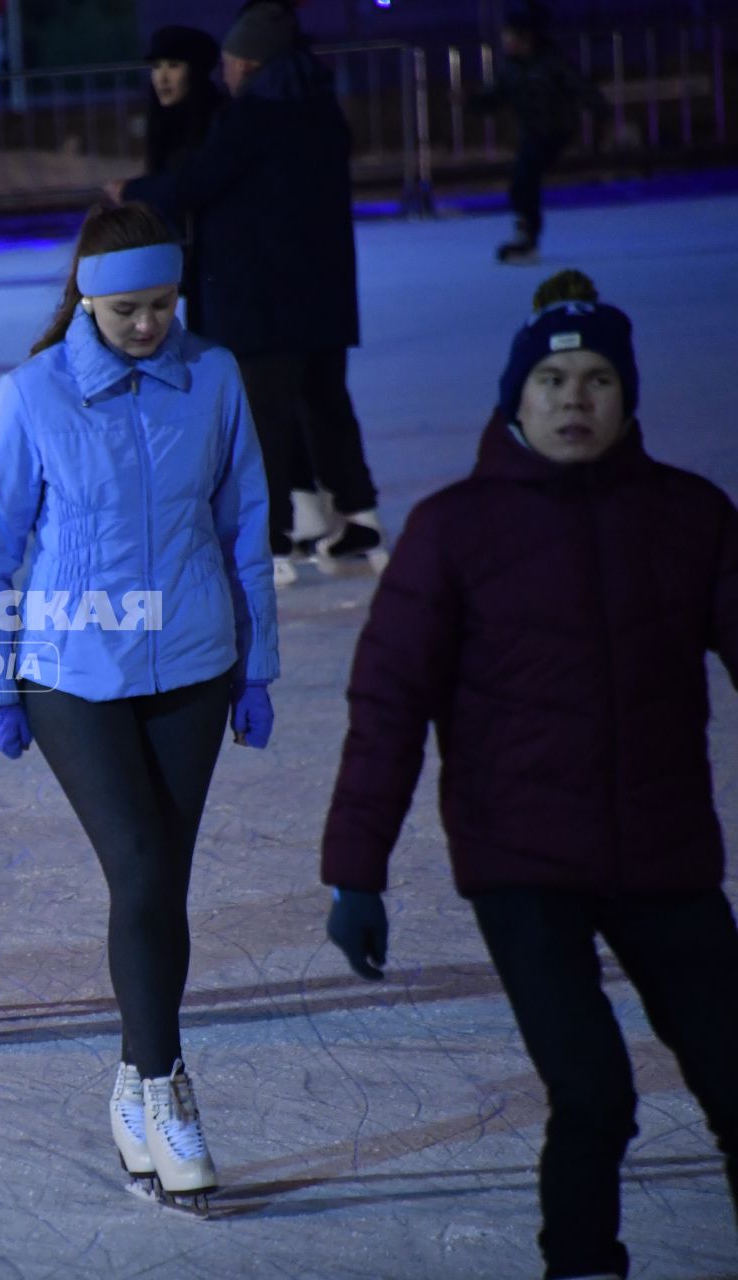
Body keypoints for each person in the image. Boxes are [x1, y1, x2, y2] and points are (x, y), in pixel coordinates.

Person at [322, 269, 738, 1280]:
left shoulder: (689, 516)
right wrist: (356, 870)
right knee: (595, 1091)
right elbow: (389, 706)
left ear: (628, 396)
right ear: (515, 399)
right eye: (554, 382)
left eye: (598, 378)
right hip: (525, 865)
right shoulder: (455, 529)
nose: (575, 398)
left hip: (666, 851)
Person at [0, 203, 277, 1212]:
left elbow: (246, 520)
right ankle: (166, 1082)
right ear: (87, 300)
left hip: (190, 658)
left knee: (160, 885)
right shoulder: (32, 394)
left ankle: (137, 1077)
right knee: (138, 860)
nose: (149, 325)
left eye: (163, 304)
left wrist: (256, 662)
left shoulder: (213, 378)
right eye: (128, 308)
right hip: (70, 668)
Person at [119, 1, 385, 588]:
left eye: (237, 60)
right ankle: (360, 518)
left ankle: (272, 543)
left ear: (258, 63)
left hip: (265, 300)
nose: (230, 71)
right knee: (325, 405)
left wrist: (131, 191)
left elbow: (199, 181)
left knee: (262, 421)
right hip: (323, 295)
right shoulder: (321, 113)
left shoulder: (254, 119)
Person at [467, 2, 612, 264]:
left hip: (556, 130)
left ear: (526, 38)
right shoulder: (512, 68)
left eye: (509, 35)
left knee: (524, 178)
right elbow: (494, 95)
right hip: (534, 133)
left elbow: (580, 86)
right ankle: (525, 234)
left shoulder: (550, 62)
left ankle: (526, 236)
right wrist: (471, 102)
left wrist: (600, 111)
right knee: (522, 180)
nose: (505, 41)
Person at [141, 25, 224, 328]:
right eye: (156, 67)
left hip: (220, 267)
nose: (161, 77)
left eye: (173, 66)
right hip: (193, 266)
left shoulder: (217, 121)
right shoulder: (165, 122)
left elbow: (188, 186)